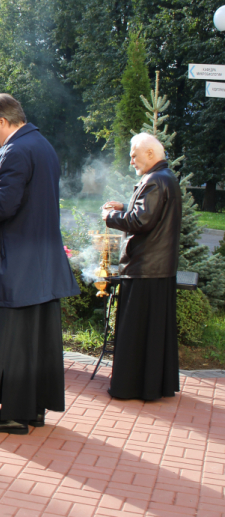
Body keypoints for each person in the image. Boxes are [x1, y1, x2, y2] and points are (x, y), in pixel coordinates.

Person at [0, 93, 79, 435]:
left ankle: (8, 414)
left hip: (13, 266)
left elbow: (3, 208)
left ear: (2, 121)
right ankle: (32, 410)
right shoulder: (42, 145)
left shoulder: (15, 151)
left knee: (5, 340)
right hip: (40, 264)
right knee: (34, 342)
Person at [101, 133, 181, 401]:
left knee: (135, 331)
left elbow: (141, 221)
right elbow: (151, 214)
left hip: (145, 268)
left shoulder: (156, 180)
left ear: (150, 154)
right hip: (158, 268)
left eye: (134, 155)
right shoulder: (165, 177)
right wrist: (126, 205)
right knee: (153, 331)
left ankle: (130, 386)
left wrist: (111, 217)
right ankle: (153, 385)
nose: (131, 161)